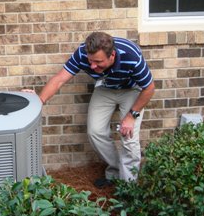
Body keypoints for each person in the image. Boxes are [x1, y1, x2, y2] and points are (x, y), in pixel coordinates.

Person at [34, 31, 155, 187]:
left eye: (98, 62)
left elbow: (150, 88)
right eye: (90, 61)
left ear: (112, 55)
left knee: (129, 138)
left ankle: (128, 189)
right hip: (105, 87)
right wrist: (39, 101)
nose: (92, 66)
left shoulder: (131, 56)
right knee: (95, 132)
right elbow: (59, 79)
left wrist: (131, 116)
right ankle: (116, 172)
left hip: (132, 90)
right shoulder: (82, 53)